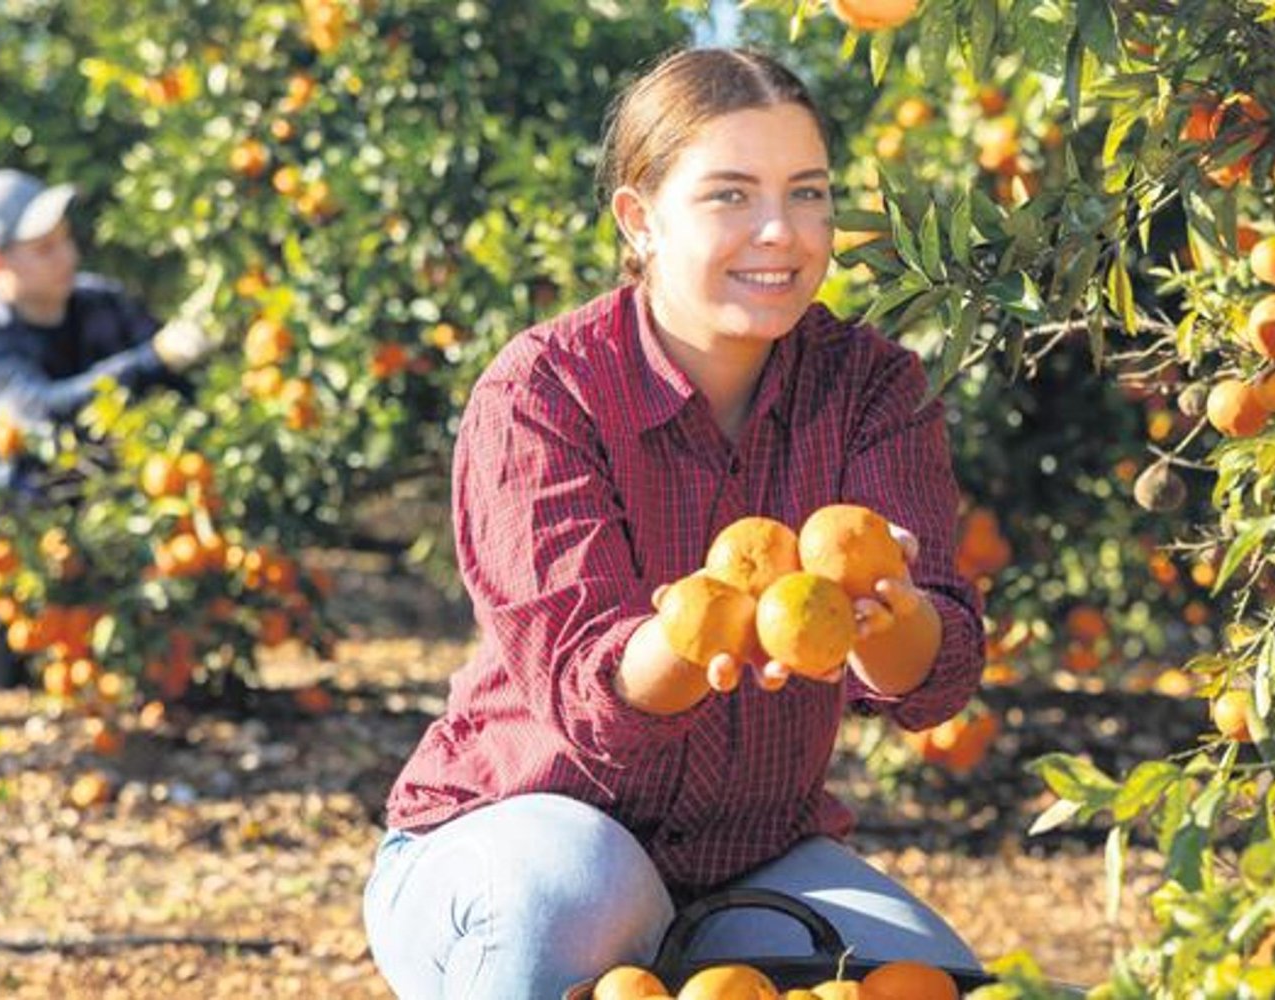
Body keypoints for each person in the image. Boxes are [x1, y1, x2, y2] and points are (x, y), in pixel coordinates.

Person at [363, 48, 986, 999]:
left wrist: (885, 615)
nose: (780, 231)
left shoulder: (872, 386)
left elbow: (932, 680)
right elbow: (587, 697)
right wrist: (701, 634)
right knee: (575, 896)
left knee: (933, 982)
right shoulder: (546, 391)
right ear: (639, 219)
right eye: (730, 195)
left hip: (745, 861)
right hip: (518, 839)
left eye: (808, 193)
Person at [0, 168, 217, 699]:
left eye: (64, 240)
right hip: (15, 551)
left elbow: (182, 393)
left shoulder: (104, 304)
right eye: (44, 248)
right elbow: (37, 413)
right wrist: (152, 360)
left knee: (145, 678)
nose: (67, 256)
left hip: (113, 536)